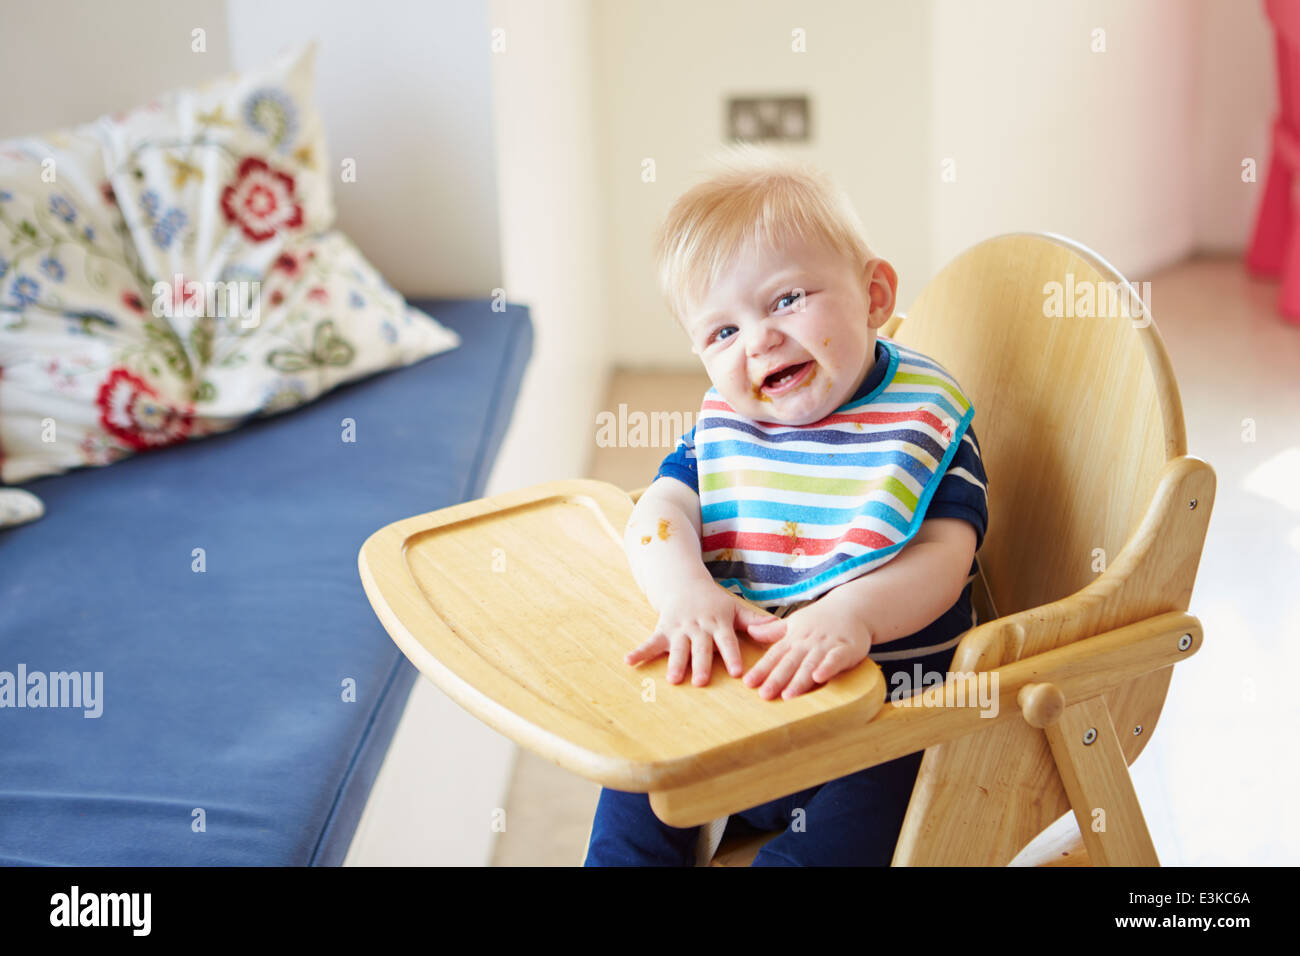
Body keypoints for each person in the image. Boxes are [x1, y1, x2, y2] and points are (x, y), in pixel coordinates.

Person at [584, 145, 988, 866]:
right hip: (738, 707)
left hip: (884, 720)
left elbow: (947, 558)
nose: (760, 339)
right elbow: (657, 511)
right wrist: (687, 593)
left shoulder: (918, 421)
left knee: (854, 827)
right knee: (634, 775)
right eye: (722, 331)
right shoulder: (732, 431)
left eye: (786, 300)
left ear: (874, 295)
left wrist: (853, 614)